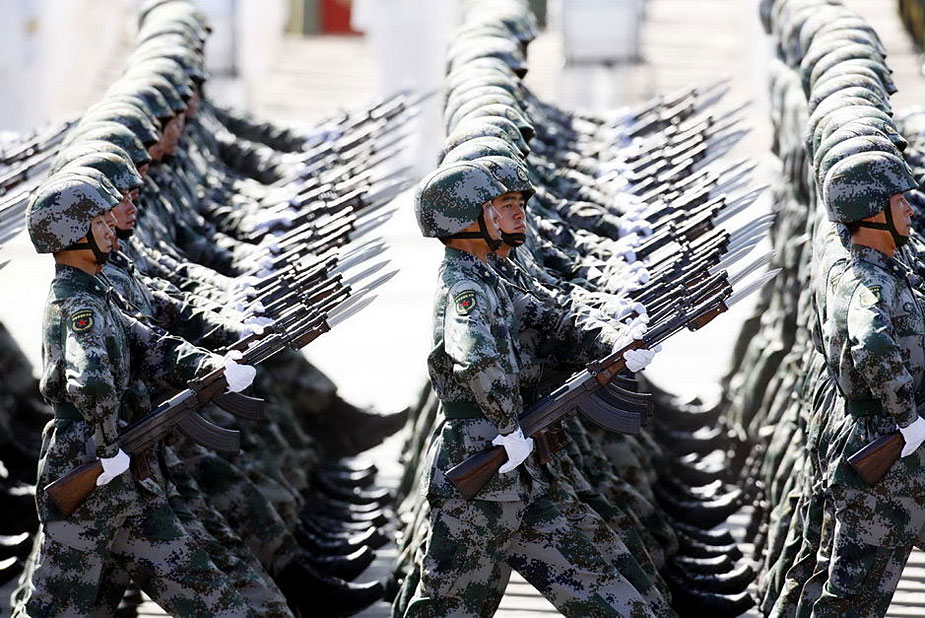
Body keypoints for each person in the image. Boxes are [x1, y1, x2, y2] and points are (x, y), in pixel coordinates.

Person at [403, 156, 660, 617]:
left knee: (611, 589)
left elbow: (553, 320)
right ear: (466, 218)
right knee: (450, 607)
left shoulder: (492, 277)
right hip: (484, 470)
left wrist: (616, 341)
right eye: (496, 206)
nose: (511, 215)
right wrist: (507, 425)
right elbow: (476, 361)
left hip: (522, 469)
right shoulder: (464, 290)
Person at [17, 174, 258, 617]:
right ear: (72, 233)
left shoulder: (97, 292)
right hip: (90, 465)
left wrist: (212, 366)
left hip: (122, 468)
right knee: (58, 606)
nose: (111, 227)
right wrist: (107, 445)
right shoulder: (79, 305)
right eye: (99, 222)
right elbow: (90, 384)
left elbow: (151, 343)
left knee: (207, 592)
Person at [812, 151, 925, 616]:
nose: (910, 209)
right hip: (891, 451)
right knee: (852, 599)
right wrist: (907, 418)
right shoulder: (870, 285)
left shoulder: (877, 274)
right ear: (872, 212)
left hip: (895, 445)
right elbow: (872, 345)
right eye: (899, 201)